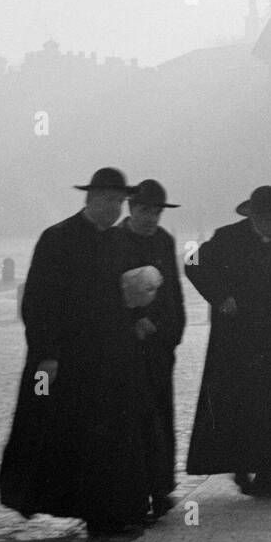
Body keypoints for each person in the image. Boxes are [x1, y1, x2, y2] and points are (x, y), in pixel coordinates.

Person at [0, 168, 165, 538]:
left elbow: (125, 288)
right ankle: (84, 507)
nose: (113, 208)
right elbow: (39, 301)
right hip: (67, 359)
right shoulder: (58, 239)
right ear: (89, 199)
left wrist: (139, 315)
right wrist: (47, 354)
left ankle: (113, 509)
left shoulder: (117, 243)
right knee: (62, 433)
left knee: (113, 437)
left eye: (118, 201)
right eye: (107, 200)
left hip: (112, 356)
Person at [185, 185, 271, 498]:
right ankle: (245, 468)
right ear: (258, 218)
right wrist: (221, 297)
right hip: (241, 342)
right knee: (244, 405)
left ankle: (265, 474)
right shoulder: (228, 238)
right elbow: (193, 264)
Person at [117, 179, 186, 520]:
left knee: (160, 417)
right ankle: (132, 491)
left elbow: (172, 292)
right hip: (125, 350)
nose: (151, 218)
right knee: (131, 421)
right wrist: (132, 322)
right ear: (131, 209)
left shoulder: (163, 240)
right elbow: (105, 292)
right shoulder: (114, 242)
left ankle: (160, 488)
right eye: (145, 210)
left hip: (159, 347)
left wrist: (170, 332)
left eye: (156, 212)